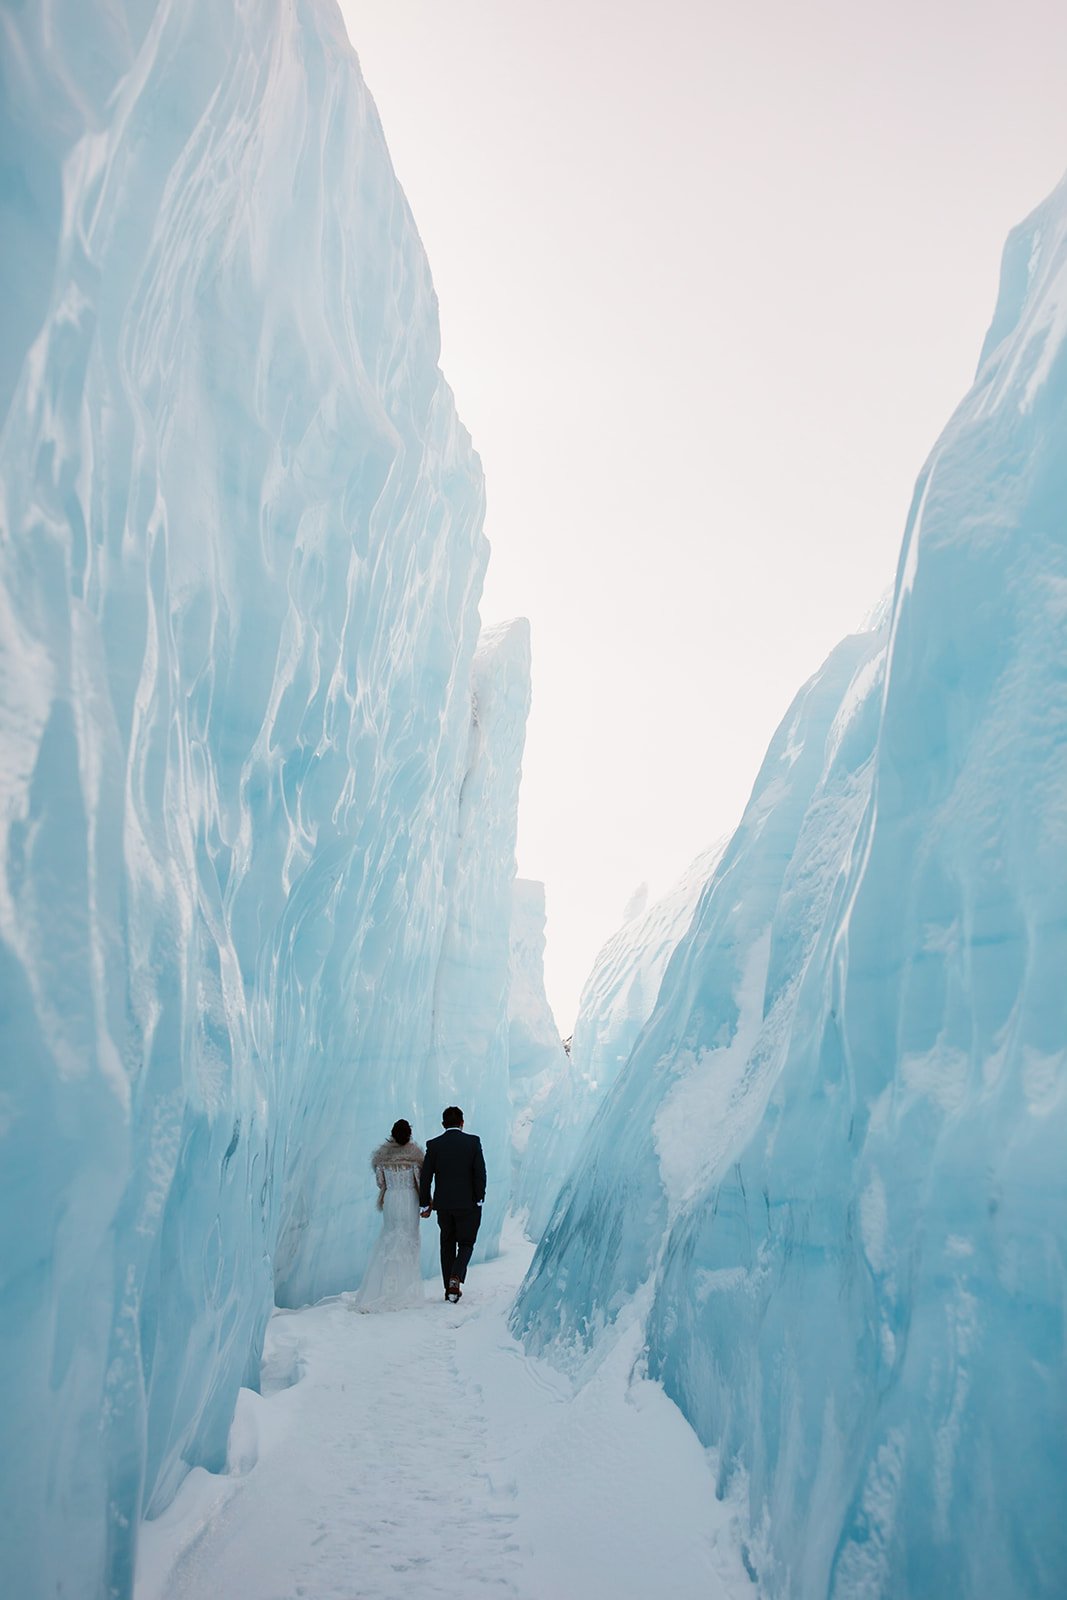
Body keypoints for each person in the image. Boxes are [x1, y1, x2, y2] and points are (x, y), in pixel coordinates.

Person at [350, 1119, 425, 1312]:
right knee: (409, 1239)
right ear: (409, 1134)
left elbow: (380, 1182)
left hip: (391, 1199)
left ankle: (385, 1287)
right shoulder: (415, 1156)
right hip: (409, 1198)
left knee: (389, 1239)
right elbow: (419, 1181)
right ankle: (405, 1288)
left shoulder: (382, 1156)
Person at [419, 1106, 486, 1303]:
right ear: (462, 1123)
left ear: (443, 1124)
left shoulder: (434, 1145)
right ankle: (456, 1277)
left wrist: (425, 1203)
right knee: (466, 1243)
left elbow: (425, 1177)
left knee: (447, 1244)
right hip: (468, 1204)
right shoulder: (473, 1142)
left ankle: (450, 1287)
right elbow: (480, 1173)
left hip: (444, 1205)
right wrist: (479, 1197)